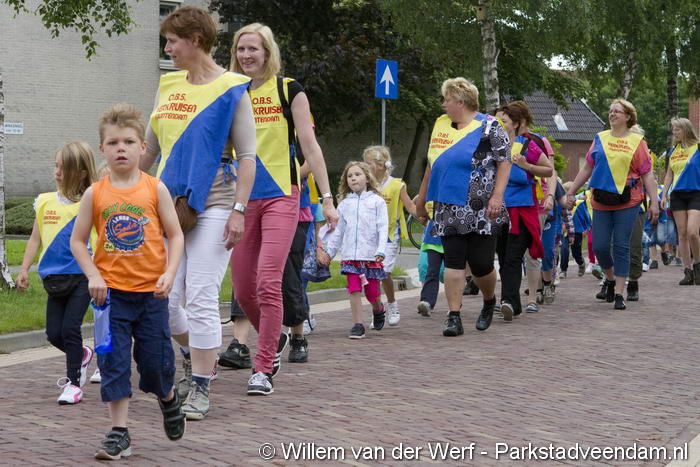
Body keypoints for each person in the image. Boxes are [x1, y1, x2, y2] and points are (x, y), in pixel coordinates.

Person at [141, 5, 257, 417]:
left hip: (216, 204)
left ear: (195, 40)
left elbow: (247, 158)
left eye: (172, 41)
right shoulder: (168, 86)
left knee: (203, 295)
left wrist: (239, 210)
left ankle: (202, 386)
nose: (167, 49)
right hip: (168, 205)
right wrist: (115, 189)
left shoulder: (232, 88)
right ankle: (196, 357)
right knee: (167, 299)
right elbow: (150, 150)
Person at [228, 23, 338, 396]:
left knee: (267, 281)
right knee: (244, 289)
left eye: (253, 48)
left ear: (267, 52)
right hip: (242, 200)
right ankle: (271, 339)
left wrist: (327, 198)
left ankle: (262, 367)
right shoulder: (230, 90)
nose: (246, 55)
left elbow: (310, 146)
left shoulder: (288, 89)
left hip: (281, 195)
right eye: (241, 48)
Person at [70, 104, 186, 460]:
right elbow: (78, 241)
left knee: (155, 364)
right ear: (102, 149)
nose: (121, 148)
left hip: (152, 295)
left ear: (142, 148)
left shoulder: (155, 189)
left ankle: (168, 397)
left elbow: (176, 235)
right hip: (111, 299)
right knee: (114, 363)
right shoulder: (95, 193)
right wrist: (93, 275)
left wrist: (169, 273)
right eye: (113, 142)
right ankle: (119, 432)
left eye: (129, 142)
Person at [414, 77, 511, 335]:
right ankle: (454, 316)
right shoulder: (441, 126)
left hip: (482, 207)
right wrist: (422, 201)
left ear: (460, 101)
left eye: (447, 99)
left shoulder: (490, 126)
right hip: (448, 206)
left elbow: (504, 161)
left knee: (481, 264)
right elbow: (432, 166)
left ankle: (489, 300)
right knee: (454, 262)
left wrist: (497, 196)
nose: (443, 104)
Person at [16, 141, 97, 404]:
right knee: (54, 334)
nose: (56, 172)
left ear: (81, 173)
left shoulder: (90, 202)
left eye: (63, 168)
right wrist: (24, 268)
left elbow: (99, 239)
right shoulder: (44, 202)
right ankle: (82, 354)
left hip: (81, 275)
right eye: (56, 166)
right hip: (53, 277)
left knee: (70, 328)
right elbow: (35, 238)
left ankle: (73, 384)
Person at [566, 99, 659, 310]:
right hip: (601, 199)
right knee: (599, 246)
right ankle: (609, 278)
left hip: (628, 200)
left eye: (617, 111)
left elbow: (647, 174)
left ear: (628, 116)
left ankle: (619, 293)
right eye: (610, 111)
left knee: (621, 245)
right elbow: (587, 168)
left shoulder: (637, 142)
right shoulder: (600, 138)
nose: (612, 114)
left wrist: (654, 202)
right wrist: (571, 191)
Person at [317, 161, 388, 339]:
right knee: (354, 289)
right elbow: (338, 232)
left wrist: (381, 250)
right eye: (349, 176)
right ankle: (358, 325)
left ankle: (378, 309)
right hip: (350, 257)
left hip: (371, 256)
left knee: (372, 294)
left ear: (367, 178)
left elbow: (383, 228)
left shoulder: (377, 202)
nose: (353, 178)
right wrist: (329, 252)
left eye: (357, 174)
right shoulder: (344, 205)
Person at [495, 102, 552, 319]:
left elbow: (548, 170)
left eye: (504, 121)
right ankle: (509, 301)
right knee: (503, 258)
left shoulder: (527, 146)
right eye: (496, 120)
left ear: (516, 124)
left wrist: (526, 166)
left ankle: (509, 301)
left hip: (522, 212)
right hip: (498, 211)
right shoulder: (491, 146)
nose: (499, 124)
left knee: (512, 257)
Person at [363, 145, 416, 326]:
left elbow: (410, 206)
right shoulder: (366, 186)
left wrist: (423, 216)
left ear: (380, 165)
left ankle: (392, 304)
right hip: (370, 236)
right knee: (372, 275)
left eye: (368, 163)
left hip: (389, 236)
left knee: (383, 271)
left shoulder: (396, 185)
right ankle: (378, 310)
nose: (365, 166)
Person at [660, 118, 700, 285]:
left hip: (696, 193)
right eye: (673, 129)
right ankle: (687, 271)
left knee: (692, 232)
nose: (674, 132)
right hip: (677, 195)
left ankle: (698, 265)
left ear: (685, 130)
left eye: (677, 129)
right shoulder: (673, 151)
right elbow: (669, 175)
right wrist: (663, 195)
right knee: (682, 234)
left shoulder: (697, 147)